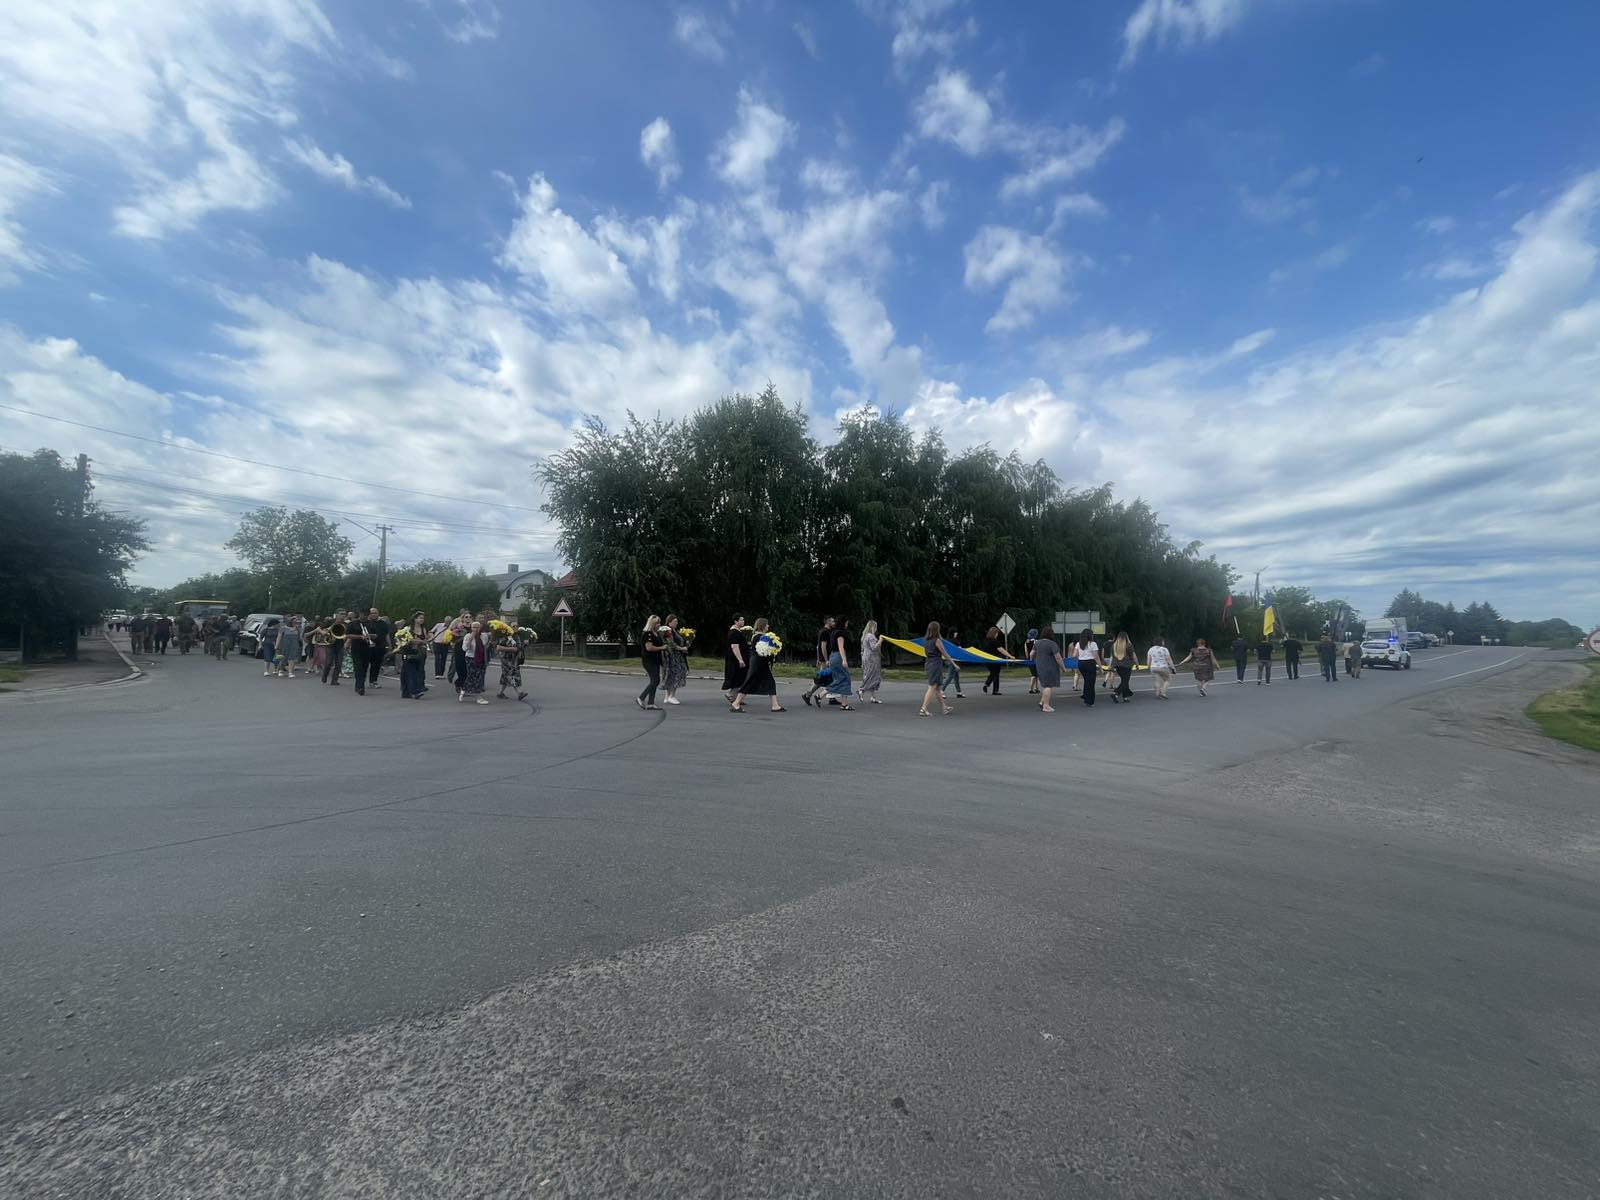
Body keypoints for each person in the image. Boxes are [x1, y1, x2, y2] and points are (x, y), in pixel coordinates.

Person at [730, 618, 785, 713]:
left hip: (759, 662)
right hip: (758, 663)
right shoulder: (760, 636)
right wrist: (773, 651)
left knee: (770, 682)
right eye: (767, 625)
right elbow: (763, 650)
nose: (768, 626)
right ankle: (736, 703)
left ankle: (775, 705)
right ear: (763, 626)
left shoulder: (757, 635)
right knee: (749, 682)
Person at [919, 621, 953, 717]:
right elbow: (945, 653)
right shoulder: (937, 641)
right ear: (937, 630)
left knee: (937, 688)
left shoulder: (926, 640)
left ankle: (944, 707)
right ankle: (923, 709)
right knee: (932, 687)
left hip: (929, 663)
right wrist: (953, 663)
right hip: (935, 665)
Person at [1033, 627, 1066, 712]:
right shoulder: (1052, 644)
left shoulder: (1037, 643)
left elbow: (1031, 654)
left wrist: (1032, 659)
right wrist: (1063, 668)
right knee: (1048, 686)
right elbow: (1058, 657)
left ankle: (1042, 702)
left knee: (1045, 685)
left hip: (1039, 666)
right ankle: (1046, 706)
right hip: (1050, 667)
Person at [824, 618, 854, 711]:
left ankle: (844, 704)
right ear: (843, 623)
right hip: (839, 656)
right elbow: (841, 647)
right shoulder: (840, 633)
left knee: (840, 679)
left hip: (833, 655)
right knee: (845, 679)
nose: (847, 625)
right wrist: (844, 660)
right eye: (846, 623)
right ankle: (822, 694)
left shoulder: (833, 632)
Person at [456, 621, 489, 703]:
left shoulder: (484, 636)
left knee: (480, 677)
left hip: (481, 659)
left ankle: (473, 694)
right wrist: (470, 639)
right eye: (474, 627)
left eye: (477, 627)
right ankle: (475, 696)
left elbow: (485, 646)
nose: (476, 629)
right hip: (471, 658)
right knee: (472, 677)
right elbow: (464, 648)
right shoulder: (468, 636)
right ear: (471, 628)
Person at [637, 616, 665, 711]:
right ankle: (641, 698)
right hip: (649, 661)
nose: (659, 625)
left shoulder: (657, 634)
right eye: (657, 623)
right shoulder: (647, 634)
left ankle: (651, 703)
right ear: (652, 624)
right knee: (655, 680)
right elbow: (649, 648)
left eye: (659, 623)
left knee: (655, 681)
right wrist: (662, 648)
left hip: (656, 660)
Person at [494, 623, 527, 701]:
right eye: (513, 626)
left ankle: (500, 693)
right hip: (506, 660)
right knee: (513, 675)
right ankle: (520, 693)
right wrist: (511, 649)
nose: (515, 627)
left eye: (516, 626)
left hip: (515, 660)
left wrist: (525, 644)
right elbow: (498, 648)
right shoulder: (504, 637)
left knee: (506, 676)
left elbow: (519, 648)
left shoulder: (517, 637)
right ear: (509, 627)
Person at [661, 615, 689, 705]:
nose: (676, 623)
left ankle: (667, 696)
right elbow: (671, 644)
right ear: (669, 622)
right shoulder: (667, 631)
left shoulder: (674, 631)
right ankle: (671, 696)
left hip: (677, 656)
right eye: (675, 621)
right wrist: (682, 648)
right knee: (675, 674)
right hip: (672, 656)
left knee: (672, 674)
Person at [981, 626, 1015, 695]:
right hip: (994, 660)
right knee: (996, 674)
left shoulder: (985, 640)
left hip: (986, 660)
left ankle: (986, 685)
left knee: (992, 673)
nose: (997, 635)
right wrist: (1010, 656)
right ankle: (995, 691)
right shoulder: (994, 641)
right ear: (994, 633)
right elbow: (1001, 650)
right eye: (997, 633)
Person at [722, 615, 748, 703]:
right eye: (741, 620)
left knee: (741, 677)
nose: (743, 622)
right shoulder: (734, 632)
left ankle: (736, 697)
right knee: (738, 677)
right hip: (736, 659)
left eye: (743, 620)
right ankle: (731, 694)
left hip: (739, 658)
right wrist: (740, 659)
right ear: (735, 621)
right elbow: (734, 647)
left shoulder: (738, 631)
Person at [858, 619, 883, 704]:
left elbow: (863, 650)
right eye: (875, 627)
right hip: (872, 659)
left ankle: (873, 697)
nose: (876, 629)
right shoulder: (871, 636)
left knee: (871, 675)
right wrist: (880, 640)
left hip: (866, 658)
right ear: (872, 627)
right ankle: (861, 690)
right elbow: (874, 647)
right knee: (872, 676)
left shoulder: (864, 636)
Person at [364, 608, 391, 690]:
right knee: (364, 665)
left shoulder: (383, 623)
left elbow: (387, 635)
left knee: (376, 665)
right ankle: (361, 681)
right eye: (372, 613)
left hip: (380, 646)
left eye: (375, 613)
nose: (374, 614)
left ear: (378, 614)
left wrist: (389, 645)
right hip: (367, 647)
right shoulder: (365, 623)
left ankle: (373, 681)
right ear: (369, 614)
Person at [1075, 629, 1102, 706]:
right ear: (1090, 635)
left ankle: (1085, 695)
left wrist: (1080, 659)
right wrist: (1100, 667)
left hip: (1081, 663)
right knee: (1091, 682)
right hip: (1090, 663)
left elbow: (1075, 655)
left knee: (1087, 680)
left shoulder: (1078, 644)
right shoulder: (1093, 644)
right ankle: (1089, 700)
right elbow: (1096, 657)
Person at [1108, 631, 1136, 703]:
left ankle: (1125, 697)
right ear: (1126, 637)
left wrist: (1111, 666)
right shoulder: (1129, 645)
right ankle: (1116, 693)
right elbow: (1133, 656)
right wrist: (1137, 664)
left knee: (1124, 681)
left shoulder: (1114, 646)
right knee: (1125, 682)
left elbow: (1112, 657)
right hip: (1127, 666)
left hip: (1117, 666)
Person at [942, 626, 965, 698]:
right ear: (953, 633)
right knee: (950, 676)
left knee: (956, 676)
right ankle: (941, 690)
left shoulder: (946, 641)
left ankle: (959, 692)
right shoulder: (955, 641)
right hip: (953, 660)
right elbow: (960, 650)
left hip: (946, 660)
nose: (956, 633)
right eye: (956, 632)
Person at [1024, 629, 1041, 694]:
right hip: (1036, 659)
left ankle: (1036, 688)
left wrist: (1028, 658)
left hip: (1029, 660)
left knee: (1036, 674)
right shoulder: (1036, 641)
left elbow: (1026, 651)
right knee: (1034, 674)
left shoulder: (1026, 642)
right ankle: (1031, 688)